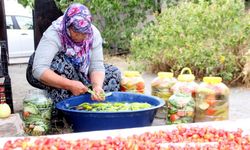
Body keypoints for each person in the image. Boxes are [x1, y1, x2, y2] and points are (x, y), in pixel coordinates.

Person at [27, 3, 121, 131]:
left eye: (84, 33)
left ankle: (85, 104)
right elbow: (39, 70)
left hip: (78, 73)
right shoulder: (55, 33)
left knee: (113, 73)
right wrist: (70, 84)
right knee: (63, 66)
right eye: (76, 32)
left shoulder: (93, 34)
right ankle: (61, 109)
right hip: (44, 72)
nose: (80, 36)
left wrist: (97, 86)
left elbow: (97, 66)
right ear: (67, 25)